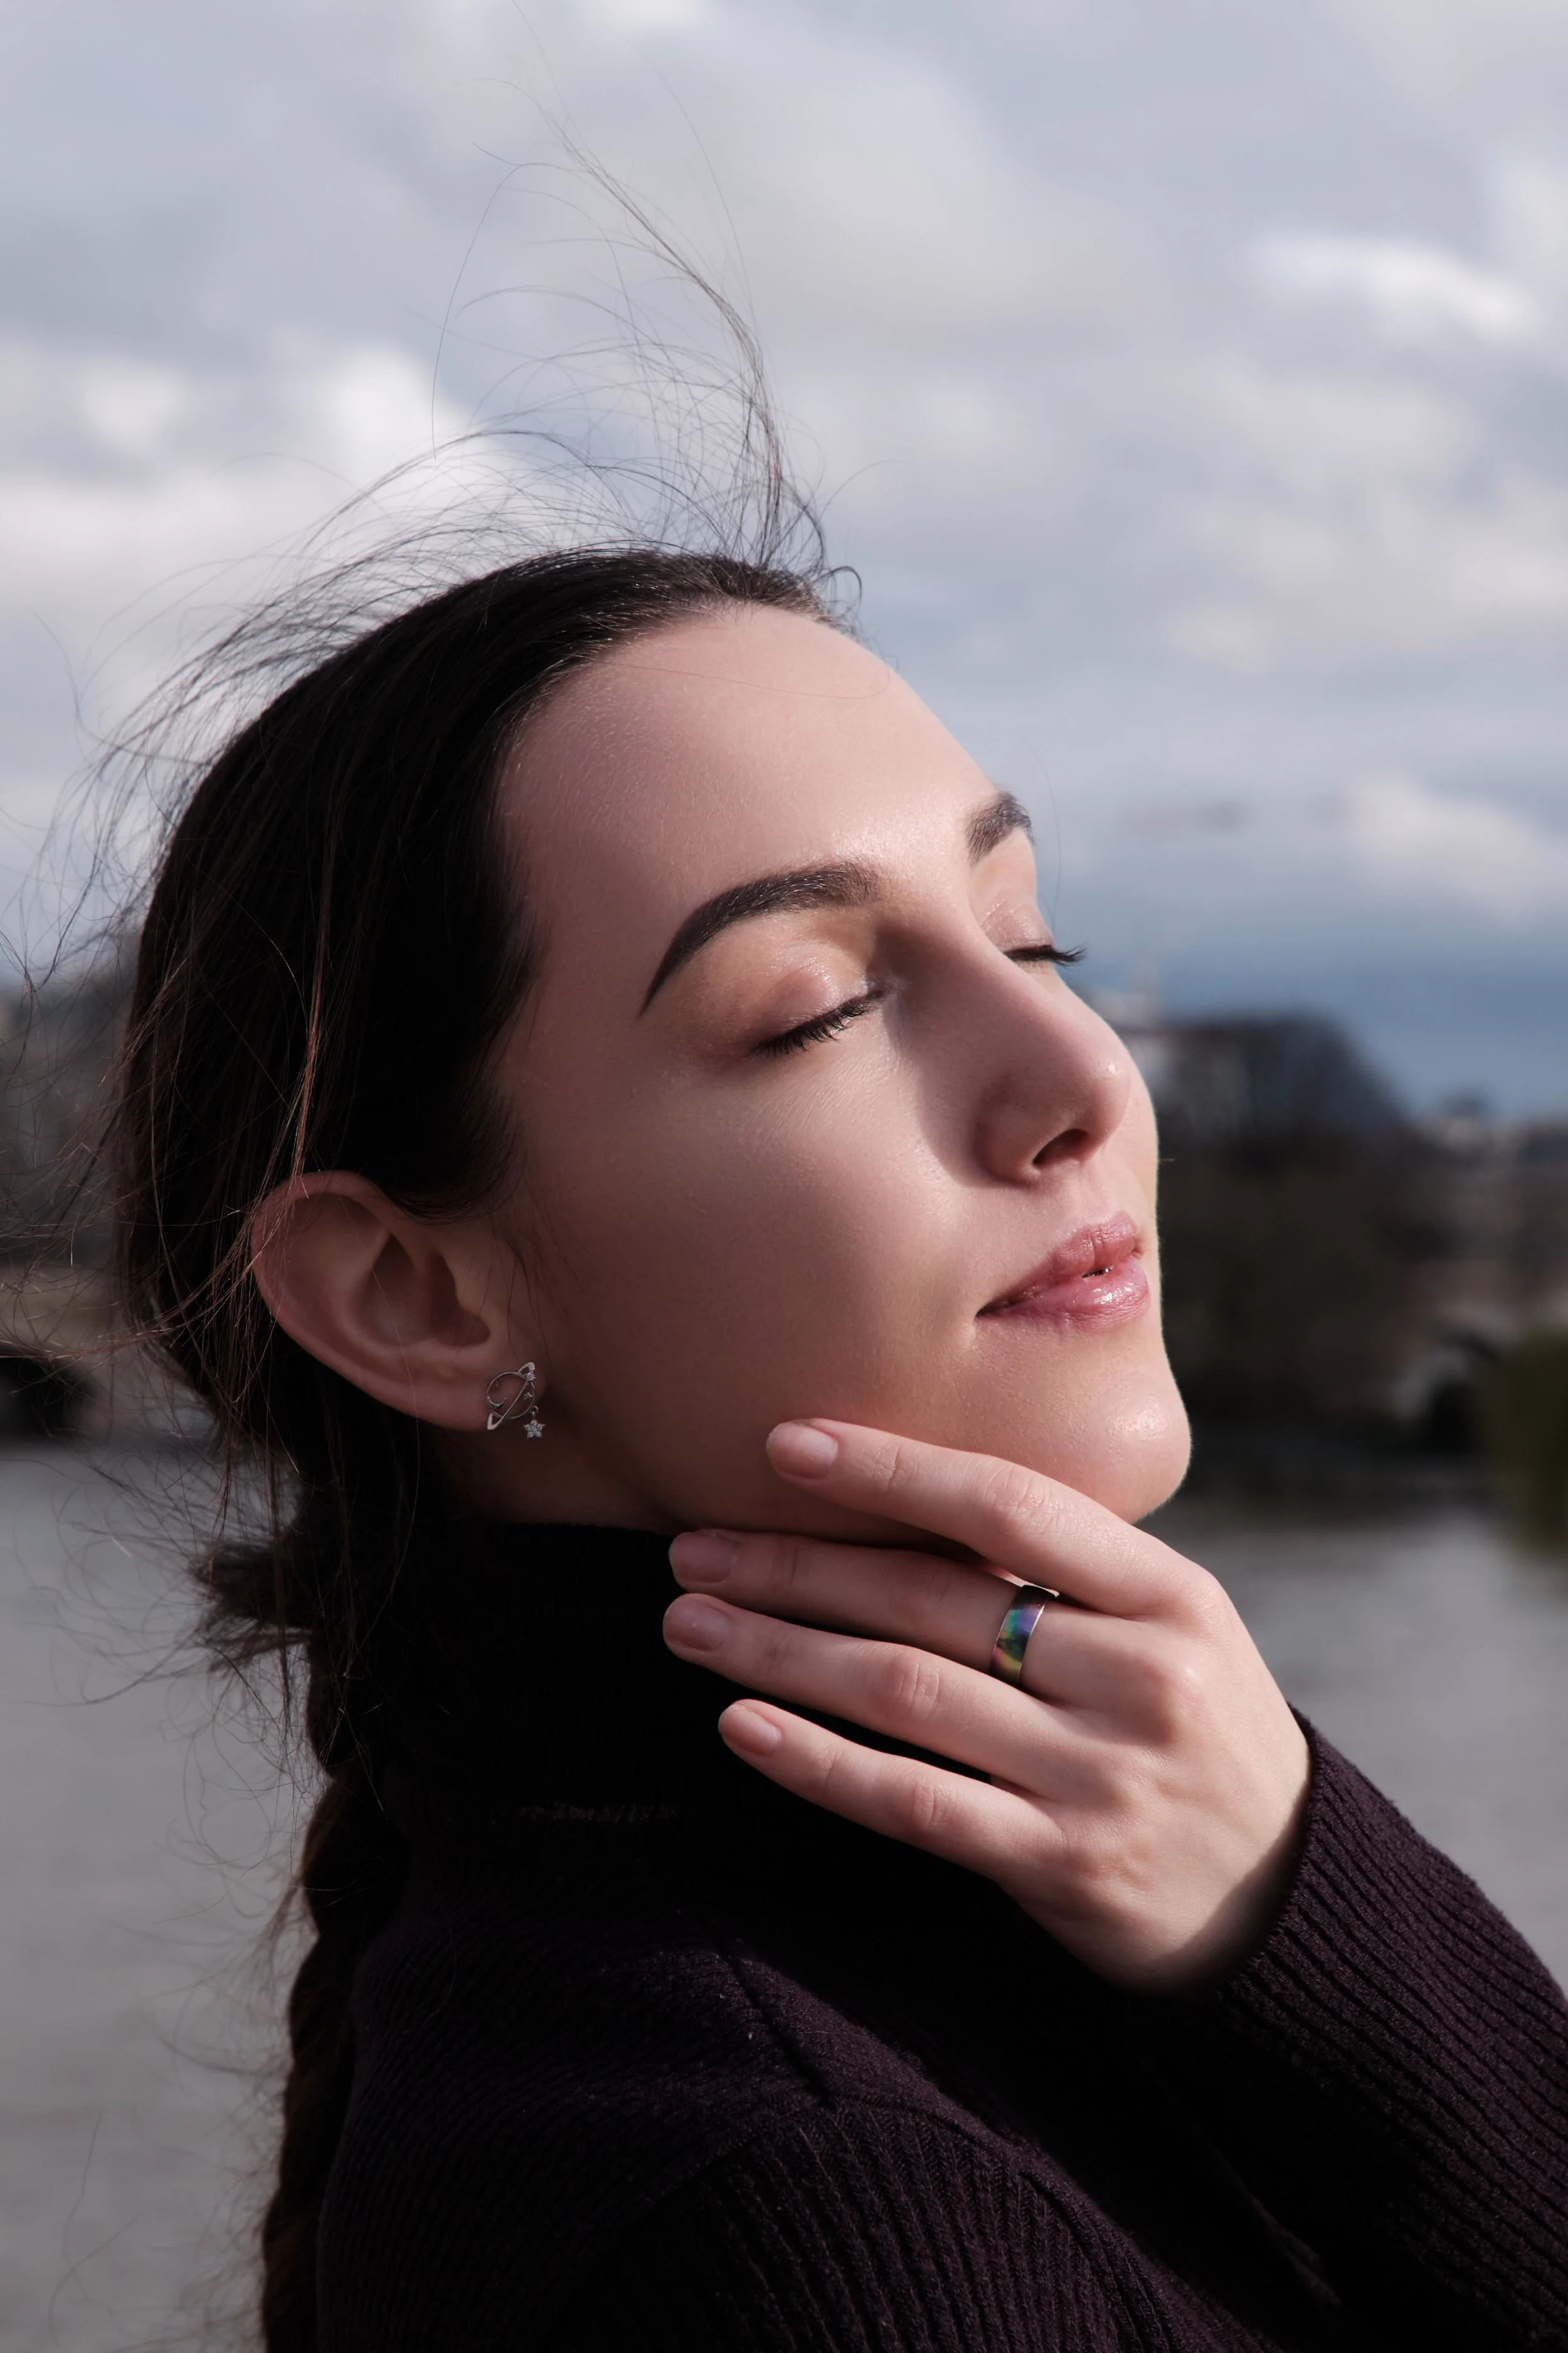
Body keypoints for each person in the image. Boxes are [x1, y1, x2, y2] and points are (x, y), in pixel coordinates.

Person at [110, 540, 1568, 2353]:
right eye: (817, 1007)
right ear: (417, 1294)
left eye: (1035, 938)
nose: (1087, 1076)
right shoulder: (814, 2213)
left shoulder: (1037, 1928)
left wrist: (1295, 1909)